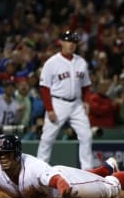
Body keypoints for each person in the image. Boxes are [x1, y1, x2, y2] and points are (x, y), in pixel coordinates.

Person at [37, 30, 95, 169]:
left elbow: (86, 85)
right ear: (61, 42)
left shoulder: (81, 62)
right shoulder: (52, 62)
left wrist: (86, 101)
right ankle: (39, 171)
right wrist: (49, 109)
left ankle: (87, 171)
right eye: (68, 41)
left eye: (74, 42)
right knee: (47, 138)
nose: (71, 44)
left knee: (86, 136)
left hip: (76, 104)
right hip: (57, 103)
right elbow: (44, 88)